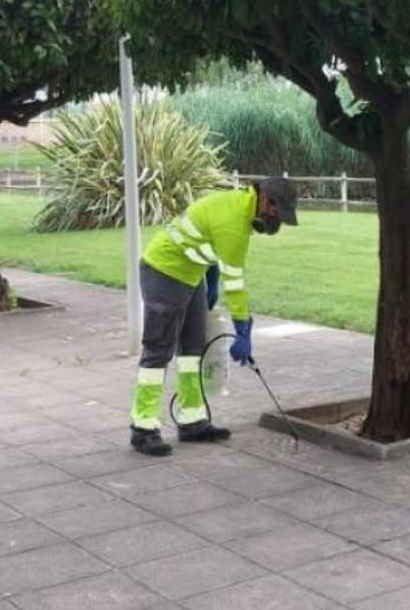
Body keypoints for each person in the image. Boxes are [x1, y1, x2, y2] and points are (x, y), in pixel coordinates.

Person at [128, 176, 299, 456]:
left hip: (191, 273)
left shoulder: (239, 207)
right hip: (164, 270)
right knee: (158, 352)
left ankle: (192, 420)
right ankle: (143, 427)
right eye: (276, 213)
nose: (275, 221)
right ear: (266, 200)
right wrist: (243, 329)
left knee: (192, 350)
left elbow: (202, 232)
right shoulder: (235, 222)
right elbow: (235, 283)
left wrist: (210, 272)